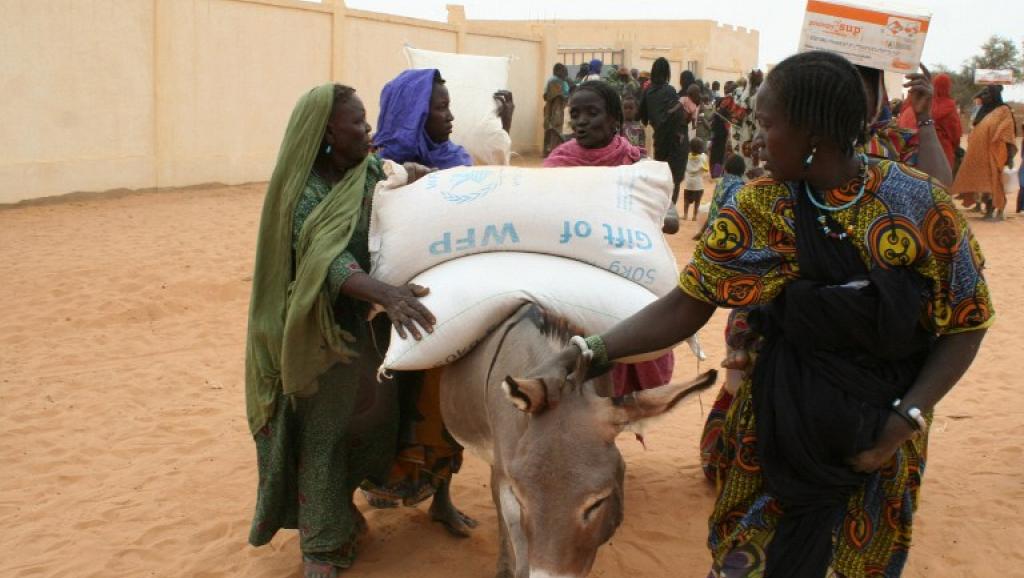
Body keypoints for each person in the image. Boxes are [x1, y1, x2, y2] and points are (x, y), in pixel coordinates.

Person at [537, 50, 993, 577]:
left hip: (879, 436)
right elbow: (687, 304)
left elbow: (968, 322)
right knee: (747, 561)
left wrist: (902, 420)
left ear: (812, 134)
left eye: (768, 124)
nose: (754, 138)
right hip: (778, 426)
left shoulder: (919, 206)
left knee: (856, 562)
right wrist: (589, 351)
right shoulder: (759, 207)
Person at [245, 84, 438, 578]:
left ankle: (346, 510)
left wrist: (437, 182)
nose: (369, 131)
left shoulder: (368, 172)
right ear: (329, 131)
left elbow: (403, 178)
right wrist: (387, 294)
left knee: (372, 425)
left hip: (369, 328)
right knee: (325, 435)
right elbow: (330, 261)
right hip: (318, 332)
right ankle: (322, 549)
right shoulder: (303, 191)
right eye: (358, 123)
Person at [366, 68, 516, 536]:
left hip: (445, 307)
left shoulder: (455, 161)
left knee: (441, 404)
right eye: (439, 108)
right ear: (412, 113)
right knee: (386, 405)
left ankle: (442, 499)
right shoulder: (379, 168)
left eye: (450, 106)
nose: (449, 117)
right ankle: (381, 485)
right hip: (385, 311)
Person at [542, 80, 675, 396]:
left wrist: (642, 213)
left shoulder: (636, 166)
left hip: (622, 273)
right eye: (575, 114)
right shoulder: (557, 165)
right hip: (571, 274)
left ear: (615, 119)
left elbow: (670, 219)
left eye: (592, 112)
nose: (581, 121)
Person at [952, 84, 1018, 220]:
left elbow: (1008, 132)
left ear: (994, 96)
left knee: (994, 182)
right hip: (980, 154)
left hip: (996, 152)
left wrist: (1010, 157)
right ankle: (985, 208)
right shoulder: (983, 110)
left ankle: (996, 211)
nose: (984, 97)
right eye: (984, 94)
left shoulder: (1003, 110)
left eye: (987, 94)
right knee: (983, 182)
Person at [640, 57, 686, 200]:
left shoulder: (647, 92)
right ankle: (670, 208)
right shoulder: (670, 91)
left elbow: (643, 117)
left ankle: (661, 207)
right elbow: (677, 117)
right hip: (674, 141)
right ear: (667, 72)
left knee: (660, 176)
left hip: (659, 140)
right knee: (674, 178)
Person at [898, 73, 962, 170]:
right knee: (939, 183)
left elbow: (902, 126)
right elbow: (955, 134)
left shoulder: (915, 103)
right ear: (948, 87)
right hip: (942, 154)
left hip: (911, 153)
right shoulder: (949, 106)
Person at [731, 70, 763, 170]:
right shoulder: (761, 94)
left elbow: (735, 117)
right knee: (753, 155)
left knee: (744, 154)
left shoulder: (744, 95)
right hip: (756, 128)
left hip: (744, 131)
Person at [708, 81, 736, 177]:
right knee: (719, 154)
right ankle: (716, 173)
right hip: (722, 132)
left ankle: (716, 173)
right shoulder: (727, 100)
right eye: (725, 88)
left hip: (722, 131)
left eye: (727, 88)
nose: (725, 90)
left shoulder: (727, 100)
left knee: (718, 154)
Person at [543, 63, 570, 156]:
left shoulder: (558, 80)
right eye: (564, 71)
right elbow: (557, 96)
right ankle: (554, 152)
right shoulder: (554, 81)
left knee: (552, 130)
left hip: (556, 108)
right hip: (555, 109)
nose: (566, 73)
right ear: (557, 71)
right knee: (555, 130)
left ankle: (550, 151)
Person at [682, 137, 709, 220]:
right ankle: (694, 216)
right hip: (698, 185)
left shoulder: (687, 156)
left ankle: (685, 215)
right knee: (697, 202)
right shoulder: (703, 157)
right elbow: (706, 169)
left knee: (686, 200)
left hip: (688, 184)